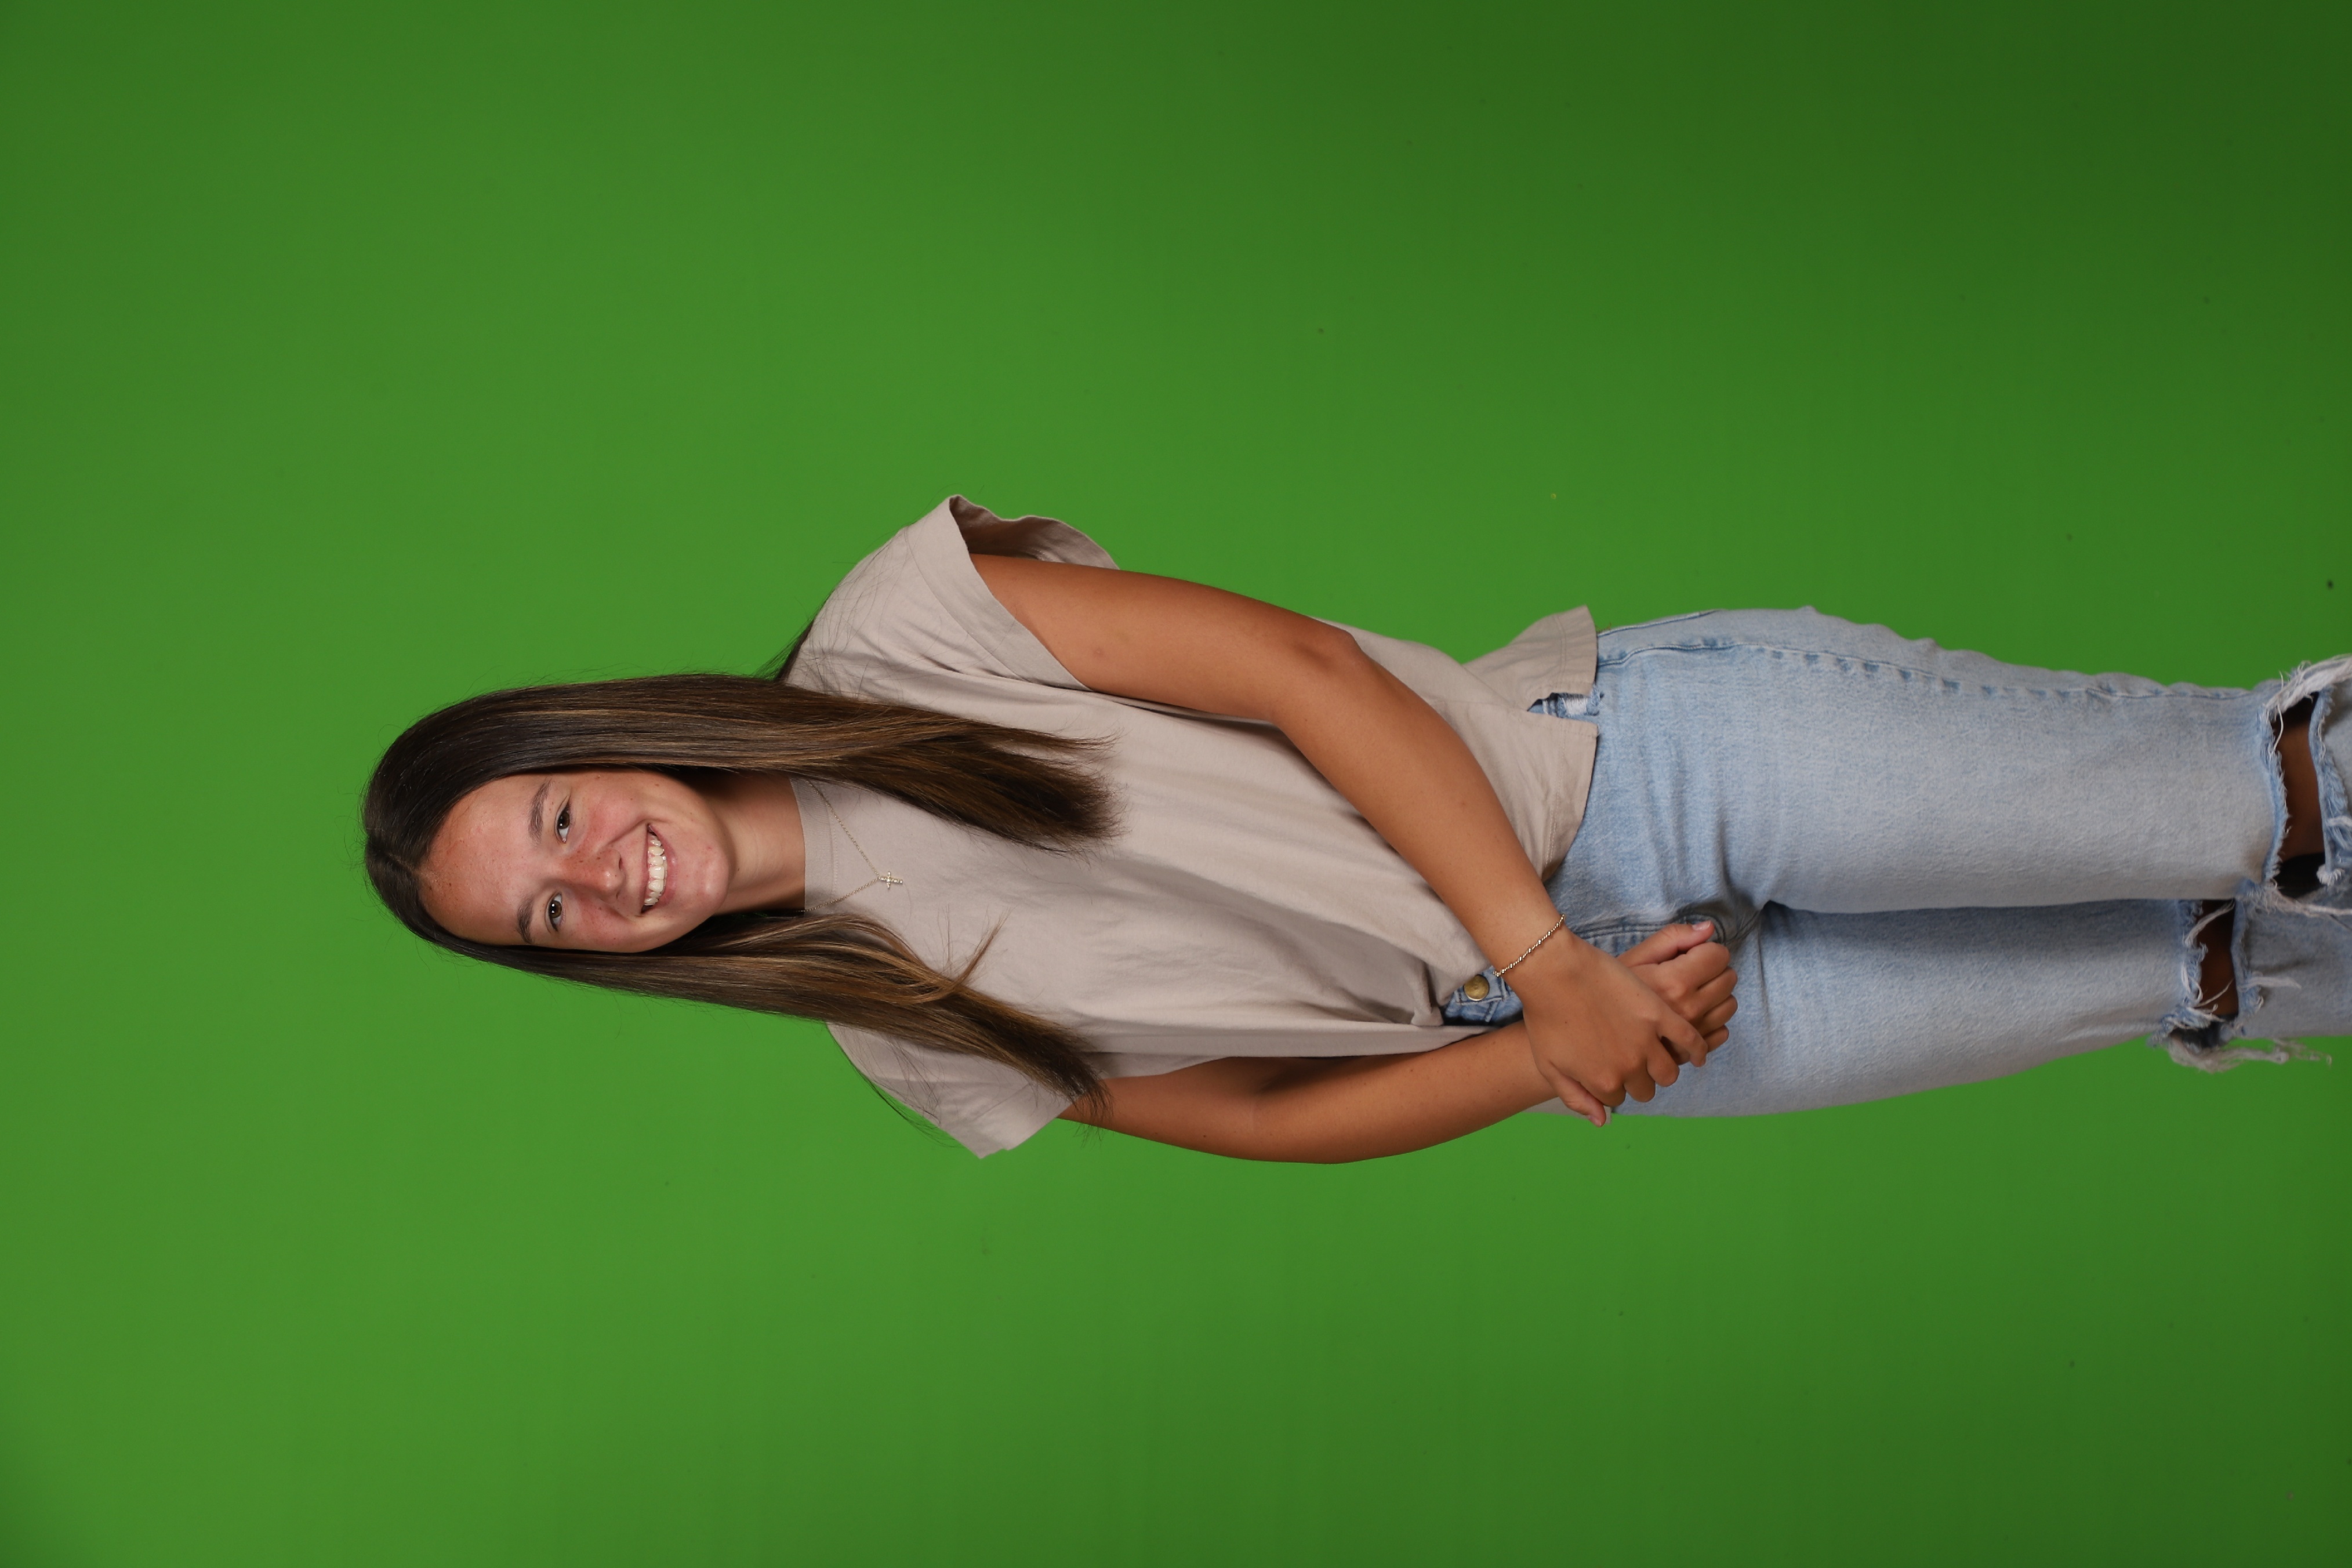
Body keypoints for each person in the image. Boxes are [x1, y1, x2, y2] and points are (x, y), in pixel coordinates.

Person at [364, 498, 2352, 1160]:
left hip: (1634, 773)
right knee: (2187, 971)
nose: (598, 875)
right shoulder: (899, 1035)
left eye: (558, 816)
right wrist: (1552, 1045)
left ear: (592, 739)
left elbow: (1302, 674)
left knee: (2260, 804)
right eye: (552, 917)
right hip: (1601, 1022)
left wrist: (1553, 965)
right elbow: (1257, 1115)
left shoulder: (901, 638)